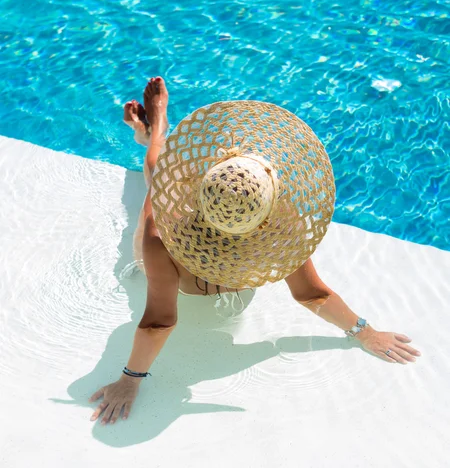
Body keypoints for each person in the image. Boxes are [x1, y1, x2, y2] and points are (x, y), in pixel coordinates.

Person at [89, 77, 421, 425]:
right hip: (204, 255)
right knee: (155, 172)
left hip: (171, 246)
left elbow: (160, 321)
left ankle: (155, 134)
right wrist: (366, 334)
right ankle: (154, 130)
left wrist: (131, 380)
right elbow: (311, 294)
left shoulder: (162, 235)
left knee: (159, 172)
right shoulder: (281, 224)